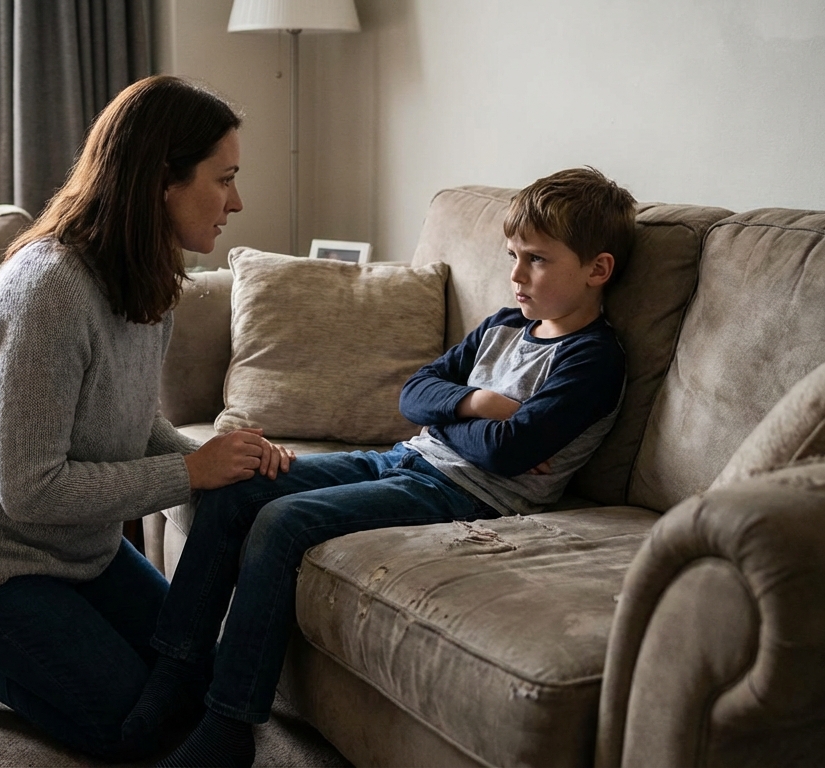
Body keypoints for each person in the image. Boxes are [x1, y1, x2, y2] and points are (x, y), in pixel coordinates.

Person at [126, 167, 637, 767]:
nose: (516, 275)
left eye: (538, 260)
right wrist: (477, 404)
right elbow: (414, 393)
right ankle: (174, 675)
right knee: (238, 484)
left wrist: (472, 423)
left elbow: (508, 453)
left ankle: (227, 728)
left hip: (469, 498)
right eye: (512, 256)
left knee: (283, 521)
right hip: (407, 458)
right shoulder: (504, 327)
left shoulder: (592, 360)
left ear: (597, 270)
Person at [0, 75, 296, 761]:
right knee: (128, 728)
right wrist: (188, 470)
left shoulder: (153, 281)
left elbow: (133, 429)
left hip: (82, 551)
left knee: (199, 692)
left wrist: (223, 457)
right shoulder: (50, 288)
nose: (236, 201)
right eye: (222, 178)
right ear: (162, 180)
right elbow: (29, 489)